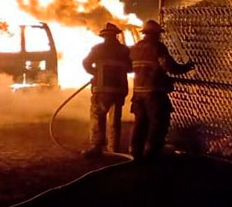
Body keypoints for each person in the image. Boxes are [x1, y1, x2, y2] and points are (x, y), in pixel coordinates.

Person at [129, 19, 194, 161]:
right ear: (155, 34)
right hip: (154, 92)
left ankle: (135, 151)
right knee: (158, 122)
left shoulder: (134, 49)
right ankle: (152, 152)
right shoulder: (158, 47)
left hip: (138, 93)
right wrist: (186, 67)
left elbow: (129, 68)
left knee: (140, 122)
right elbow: (168, 66)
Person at [81, 22, 132, 158]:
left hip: (102, 90)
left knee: (98, 117)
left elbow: (86, 63)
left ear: (103, 36)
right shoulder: (124, 50)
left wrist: (95, 73)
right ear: (116, 35)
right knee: (115, 119)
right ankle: (114, 148)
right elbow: (131, 68)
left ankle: (96, 147)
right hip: (119, 90)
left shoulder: (98, 49)